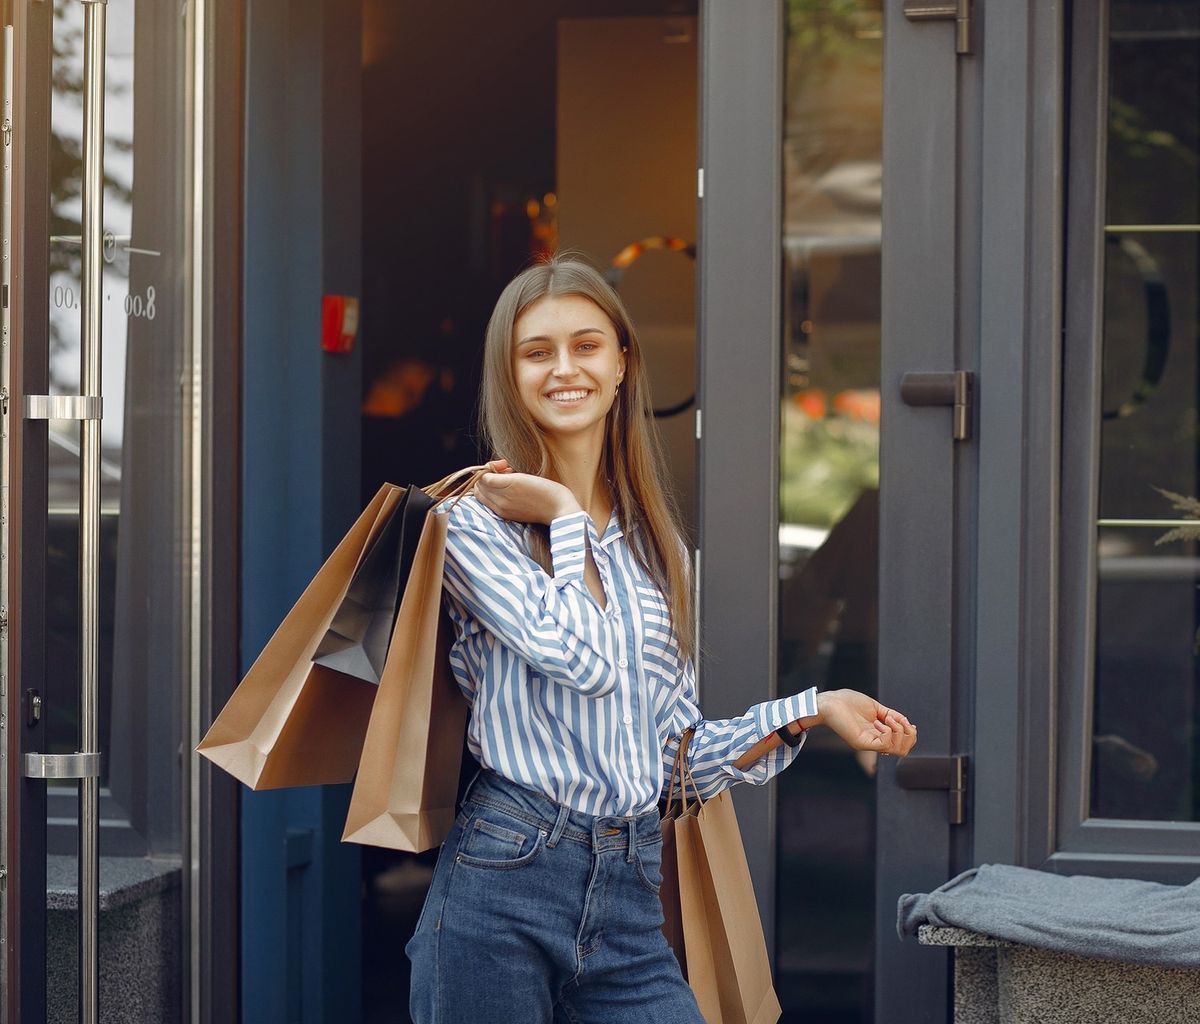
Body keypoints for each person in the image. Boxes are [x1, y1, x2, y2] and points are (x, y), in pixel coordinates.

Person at [405, 253, 917, 1023]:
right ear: (508, 375)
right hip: (504, 878)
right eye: (536, 352)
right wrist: (563, 517)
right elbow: (579, 659)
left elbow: (674, 759)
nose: (564, 369)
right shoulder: (471, 525)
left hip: (628, 889)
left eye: (586, 346)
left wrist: (815, 707)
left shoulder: (656, 548)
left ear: (622, 365)